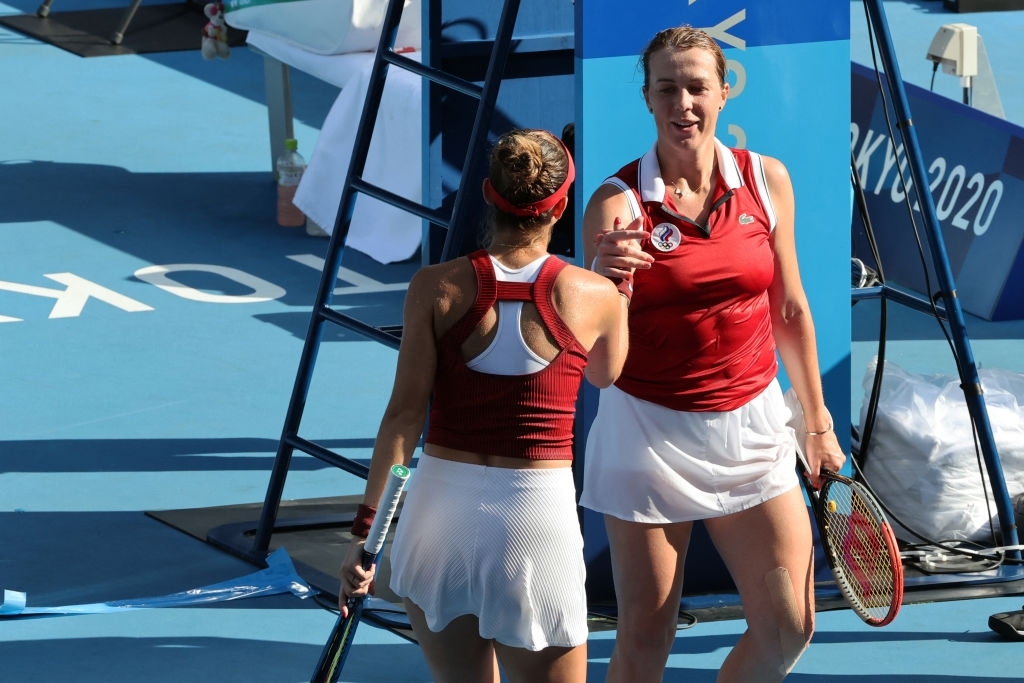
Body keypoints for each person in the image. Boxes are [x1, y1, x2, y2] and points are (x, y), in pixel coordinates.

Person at [579, 25, 847, 682]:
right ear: (647, 99)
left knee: (789, 626)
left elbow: (789, 307)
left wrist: (817, 423)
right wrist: (604, 280)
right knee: (646, 633)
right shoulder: (616, 206)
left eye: (697, 86)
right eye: (666, 89)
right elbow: (596, 369)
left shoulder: (767, 180)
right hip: (647, 434)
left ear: (724, 92)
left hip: (753, 426)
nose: (683, 104)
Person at [339, 128, 630, 683]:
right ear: (562, 205)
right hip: (534, 527)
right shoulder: (598, 295)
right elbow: (607, 372)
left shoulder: (434, 286)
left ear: (487, 194)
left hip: (438, 520)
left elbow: (402, 419)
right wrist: (622, 290)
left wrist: (366, 535)